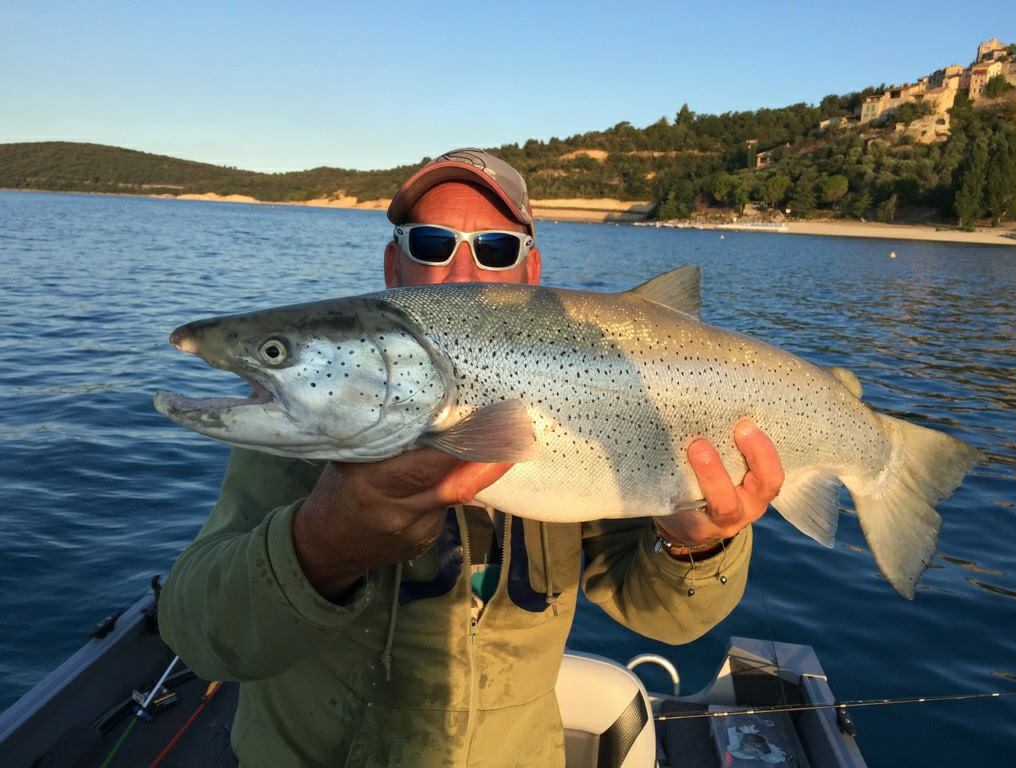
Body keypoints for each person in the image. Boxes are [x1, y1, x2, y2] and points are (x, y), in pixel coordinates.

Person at [159, 148, 784, 767]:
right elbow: (202, 638)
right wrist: (321, 544)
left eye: (495, 248)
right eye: (430, 243)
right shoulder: (304, 432)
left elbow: (668, 618)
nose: (462, 269)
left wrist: (694, 547)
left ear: (530, 268)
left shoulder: (596, 397)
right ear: (393, 266)